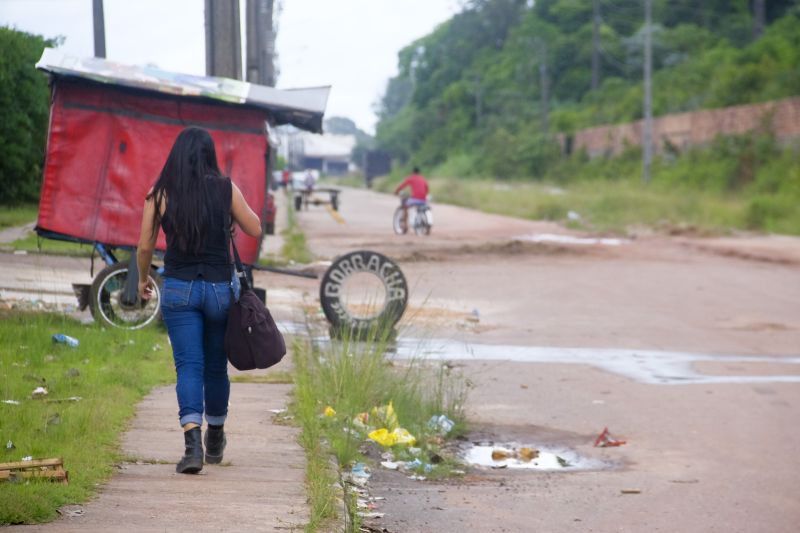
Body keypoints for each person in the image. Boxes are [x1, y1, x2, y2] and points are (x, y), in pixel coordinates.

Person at [136, 127, 261, 474]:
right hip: (220, 289)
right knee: (215, 367)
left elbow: (145, 246)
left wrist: (143, 279)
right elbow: (255, 229)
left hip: (179, 288)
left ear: (176, 155)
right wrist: (229, 214)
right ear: (209, 155)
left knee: (188, 366)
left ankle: (192, 448)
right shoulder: (225, 188)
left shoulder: (159, 193)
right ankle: (216, 436)